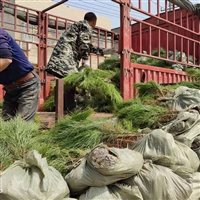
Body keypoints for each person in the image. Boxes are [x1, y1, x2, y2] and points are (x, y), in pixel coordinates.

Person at [45, 12, 116, 111]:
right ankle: (70, 109)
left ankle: (64, 109)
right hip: (65, 58)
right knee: (72, 82)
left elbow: (84, 44)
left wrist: (103, 51)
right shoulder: (86, 26)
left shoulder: (78, 26)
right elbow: (83, 43)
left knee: (67, 83)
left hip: (60, 58)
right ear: (94, 22)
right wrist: (86, 59)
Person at [0, 27, 41, 121]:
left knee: (22, 126)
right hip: (10, 89)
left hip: (27, 85)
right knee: (6, 126)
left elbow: (6, 60)